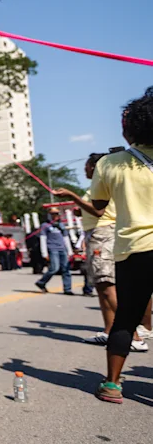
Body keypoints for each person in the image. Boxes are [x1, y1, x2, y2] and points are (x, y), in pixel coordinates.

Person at [86, 87, 153, 403]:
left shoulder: (110, 163)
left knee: (126, 317)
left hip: (135, 249)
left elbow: (99, 203)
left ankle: (112, 385)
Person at [54, 154, 146, 351]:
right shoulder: (95, 187)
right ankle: (109, 330)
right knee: (101, 287)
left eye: (87, 166)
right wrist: (78, 207)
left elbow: (98, 211)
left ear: (96, 167)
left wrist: (72, 196)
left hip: (102, 235)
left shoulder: (104, 182)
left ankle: (134, 336)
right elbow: (91, 210)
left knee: (107, 286)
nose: (85, 170)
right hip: (96, 235)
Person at [35, 208, 74, 295]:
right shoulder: (45, 225)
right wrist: (44, 253)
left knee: (66, 269)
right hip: (53, 249)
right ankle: (41, 282)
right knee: (54, 268)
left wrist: (70, 251)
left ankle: (67, 289)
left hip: (63, 249)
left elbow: (66, 238)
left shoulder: (61, 225)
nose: (55, 215)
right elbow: (43, 239)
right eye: (53, 214)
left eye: (56, 214)